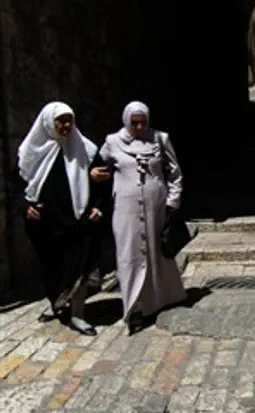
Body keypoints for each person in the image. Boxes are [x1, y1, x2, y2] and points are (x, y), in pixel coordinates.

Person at [10, 102, 108, 336]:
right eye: (60, 121)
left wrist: (98, 206)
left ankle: (78, 314)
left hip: (78, 222)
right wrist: (25, 207)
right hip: (45, 226)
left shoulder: (85, 149)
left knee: (79, 267)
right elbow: (16, 185)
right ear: (47, 123)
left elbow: (105, 180)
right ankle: (57, 304)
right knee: (52, 269)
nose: (66, 125)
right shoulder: (31, 151)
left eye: (69, 120)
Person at [90, 101, 187, 335]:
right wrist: (93, 174)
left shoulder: (160, 139)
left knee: (156, 254)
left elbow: (174, 172)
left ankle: (159, 300)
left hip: (156, 207)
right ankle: (134, 308)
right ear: (126, 120)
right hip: (125, 209)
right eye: (135, 123)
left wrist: (173, 200)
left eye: (143, 122)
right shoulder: (112, 142)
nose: (140, 127)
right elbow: (98, 166)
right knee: (128, 255)